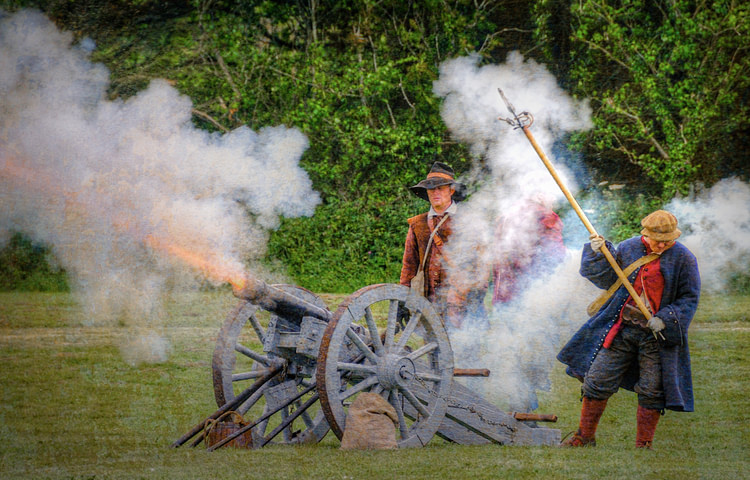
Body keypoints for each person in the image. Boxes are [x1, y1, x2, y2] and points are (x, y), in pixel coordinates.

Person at [557, 210, 700, 448]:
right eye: (658, 240)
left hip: (657, 335)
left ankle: (643, 444)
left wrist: (665, 318)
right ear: (646, 234)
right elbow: (605, 279)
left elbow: (689, 298)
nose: (662, 245)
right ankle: (584, 437)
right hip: (622, 328)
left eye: (668, 241)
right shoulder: (629, 248)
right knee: (597, 380)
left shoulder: (684, 258)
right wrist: (597, 254)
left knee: (653, 390)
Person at [399, 161, 486, 329]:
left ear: (451, 190)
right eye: (431, 188)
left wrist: (478, 292)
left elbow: (482, 261)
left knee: (466, 353)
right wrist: (402, 300)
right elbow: (409, 266)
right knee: (436, 353)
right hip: (431, 307)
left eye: (440, 187)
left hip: (463, 304)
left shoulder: (469, 220)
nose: (435, 192)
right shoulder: (418, 224)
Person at [491, 197, 566, 305]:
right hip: (531, 296)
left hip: (503, 296)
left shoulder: (506, 216)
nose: (553, 201)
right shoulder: (545, 216)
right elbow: (555, 255)